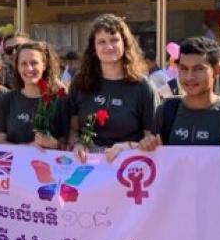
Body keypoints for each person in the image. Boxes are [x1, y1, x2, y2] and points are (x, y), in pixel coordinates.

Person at [133, 36, 220, 153]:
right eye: (184, 69)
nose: (189, 77)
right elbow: (154, 159)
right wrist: (147, 145)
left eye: (198, 69)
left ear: (217, 70)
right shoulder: (166, 111)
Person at [67, 14, 158, 162]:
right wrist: (77, 143)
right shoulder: (80, 83)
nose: (108, 47)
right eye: (101, 42)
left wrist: (129, 146)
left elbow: (151, 139)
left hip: (127, 168)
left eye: (114, 40)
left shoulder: (143, 87)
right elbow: (73, 129)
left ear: (125, 43)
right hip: (86, 168)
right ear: (93, 48)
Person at [0, 41, 67, 148]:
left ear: (44, 65)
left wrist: (55, 144)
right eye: (23, 63)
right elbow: (0, 143)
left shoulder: (59, 100)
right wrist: (27, 148)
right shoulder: (7, 99)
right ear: (18, 67)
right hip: (17, 164)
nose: (29, 68)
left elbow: (67, 145)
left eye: (34, 63)